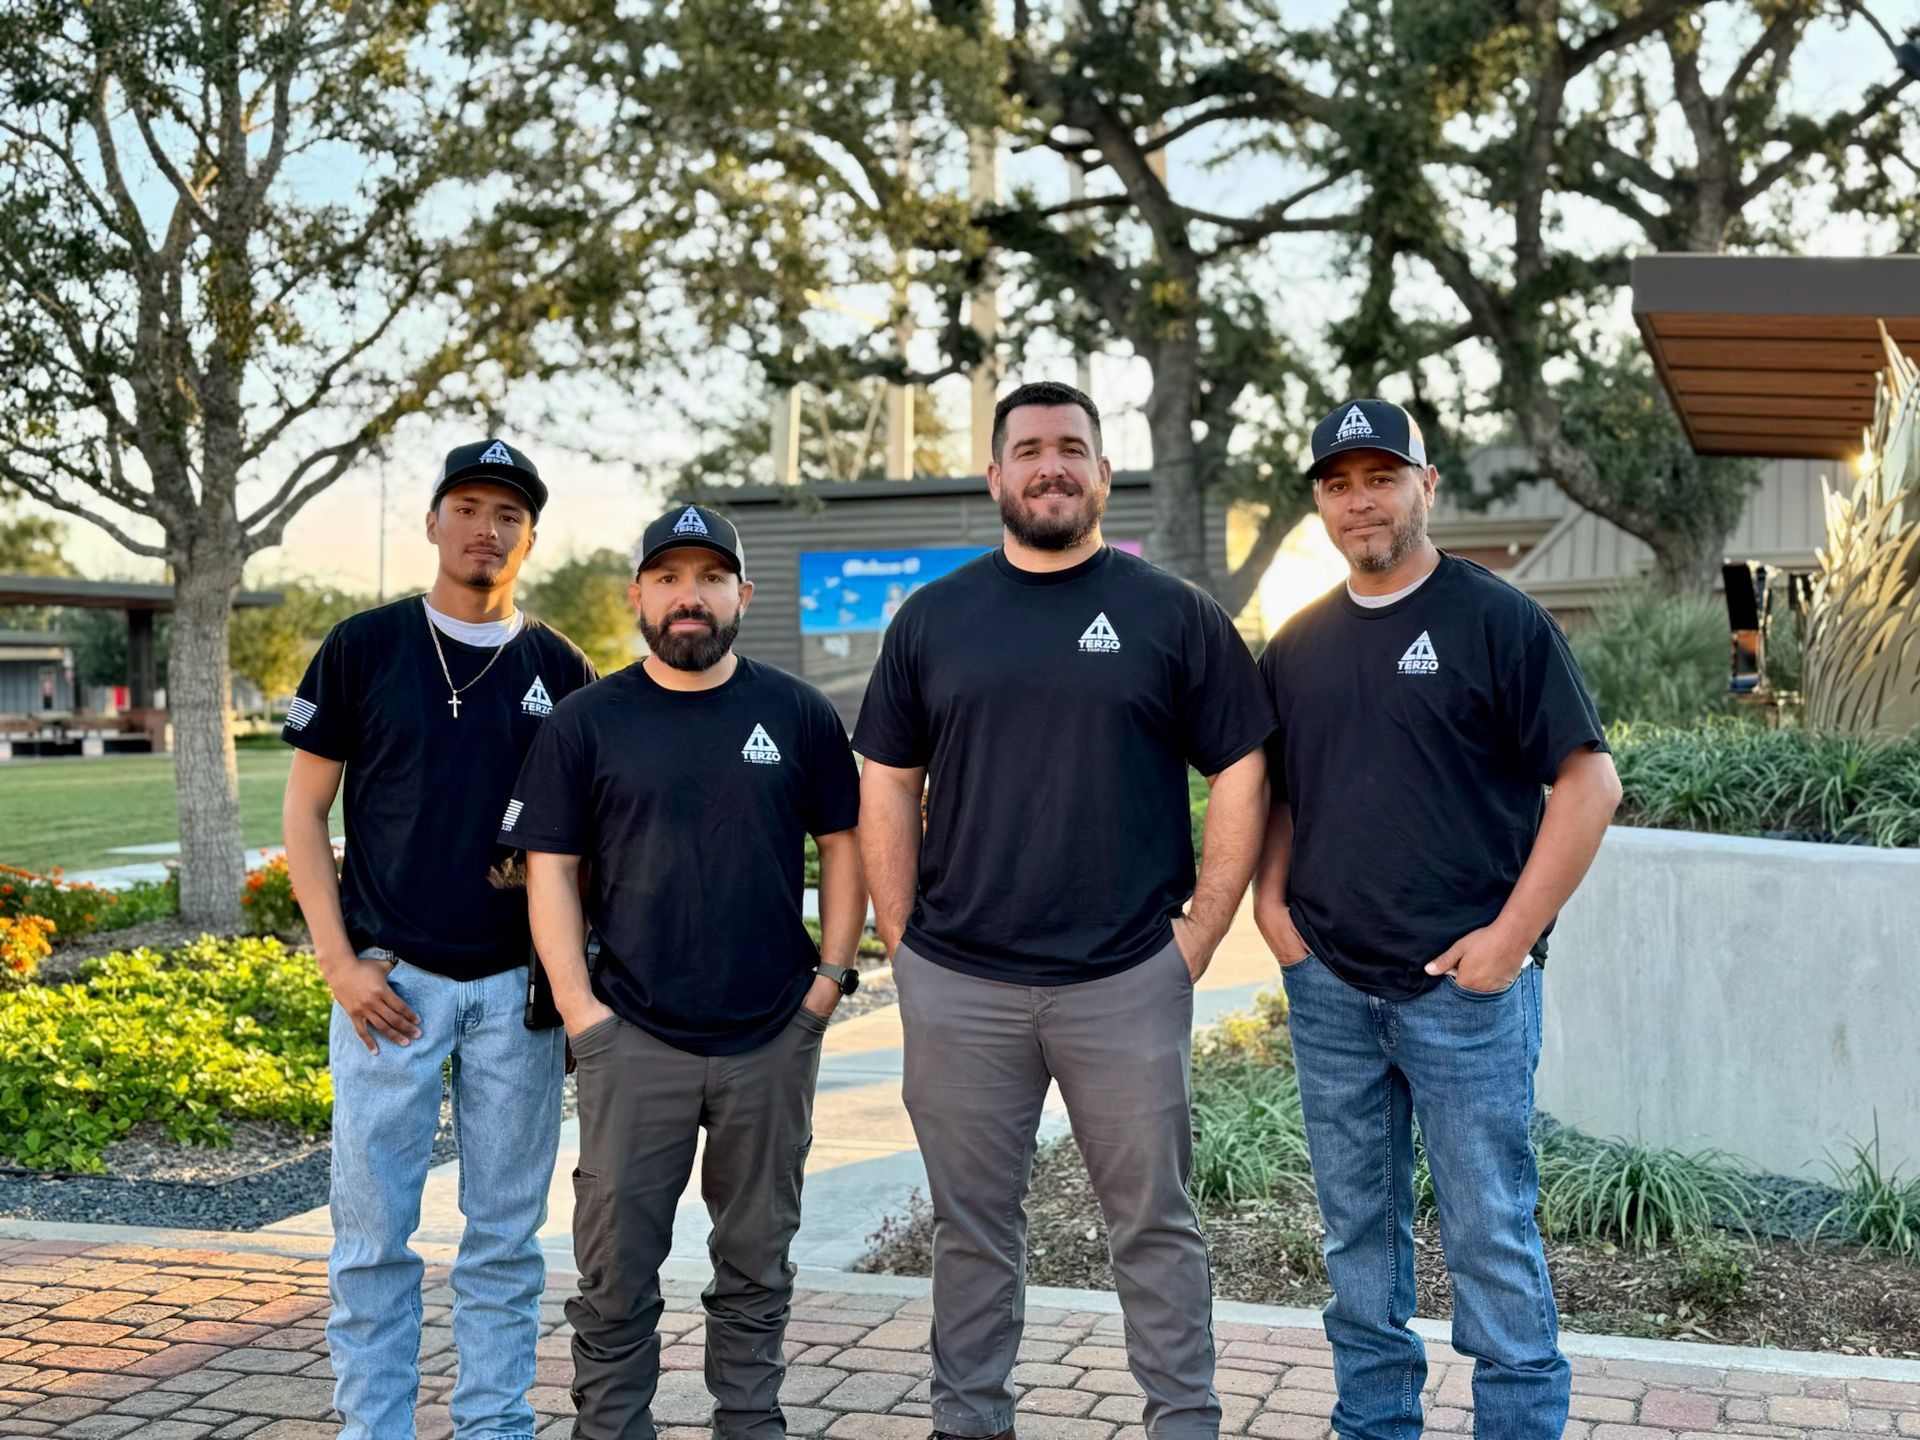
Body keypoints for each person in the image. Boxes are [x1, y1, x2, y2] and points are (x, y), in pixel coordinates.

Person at [855, 381, 1274, 1440]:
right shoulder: (934, 619)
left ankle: (1184, 1422)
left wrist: (1199, 934)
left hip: (1125, 980)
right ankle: (970, 1424)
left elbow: (1242, 767)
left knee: (1155, 1226)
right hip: (960, 982)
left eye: (1072, 448)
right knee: (972, 1231)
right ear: (994, 475)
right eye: (1029, 448)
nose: (1051, 465)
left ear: (1103, 473)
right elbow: (886, 781)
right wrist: (902, 942)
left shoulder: (1172, 615)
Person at [1251, 398, 1622, 1440]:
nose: (1360, 500)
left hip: (1466, 998)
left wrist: (1507, 944)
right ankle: (1372, 1427)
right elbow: (1282, 794)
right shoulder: (1298, 646)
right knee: (1355, 1239)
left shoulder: (1497, 620)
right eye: (1338, 483)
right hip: (1331, 987)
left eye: (1380, 476)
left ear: (1427, 484)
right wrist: (1273, 912)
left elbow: (1590, 788)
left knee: (1490, 1235)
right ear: (1321, 503)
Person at [503, 504, 865, 1440]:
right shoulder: (587, 722)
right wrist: (583, 1013)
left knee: (756, 1262)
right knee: (615, 1269)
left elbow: (843, 846)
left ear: (743, 594)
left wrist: (828, 981)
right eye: (668, 578)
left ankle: (751, 1424)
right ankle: (614, 1429)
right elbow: (550, 872)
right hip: (635, 1037)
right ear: (637, 596)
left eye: (710, 578)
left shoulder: (797, 713)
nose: (688, 597)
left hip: (771, 1037)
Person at [281, 439, 597, 1440]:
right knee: (373, 1239)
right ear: (433, 522)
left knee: (504, 1239)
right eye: (467, 506)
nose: (486, 528)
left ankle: (494, 1424)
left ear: (530, 537)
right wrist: (338, 961)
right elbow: (304, 814)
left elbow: (582, 841)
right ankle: (373, 1428)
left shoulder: (559, 667)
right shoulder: (364, 646)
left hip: (517, 995)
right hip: (391, 988)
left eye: (508, 514)